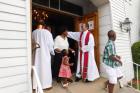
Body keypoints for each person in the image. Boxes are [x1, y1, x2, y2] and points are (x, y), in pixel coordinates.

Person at [32, 20, 54, 89]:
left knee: (37, 68)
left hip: (36, 55)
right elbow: (51, 44)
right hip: (45, 54)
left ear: (37, 25)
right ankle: (46, 85)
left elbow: (32, 43)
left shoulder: (33, 32)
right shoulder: (47, 33)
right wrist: (52, 52)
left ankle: (35, 85)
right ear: (44, 26)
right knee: (45, 69)